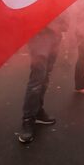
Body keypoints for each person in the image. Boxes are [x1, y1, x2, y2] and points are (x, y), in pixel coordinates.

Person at [18, 15, 68, 143]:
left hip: (55, 36)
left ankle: (38, 110)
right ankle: (28, 119)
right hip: (40, 36)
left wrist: (63, 25)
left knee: (46, 77)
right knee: (37, 78)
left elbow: (65, 7)